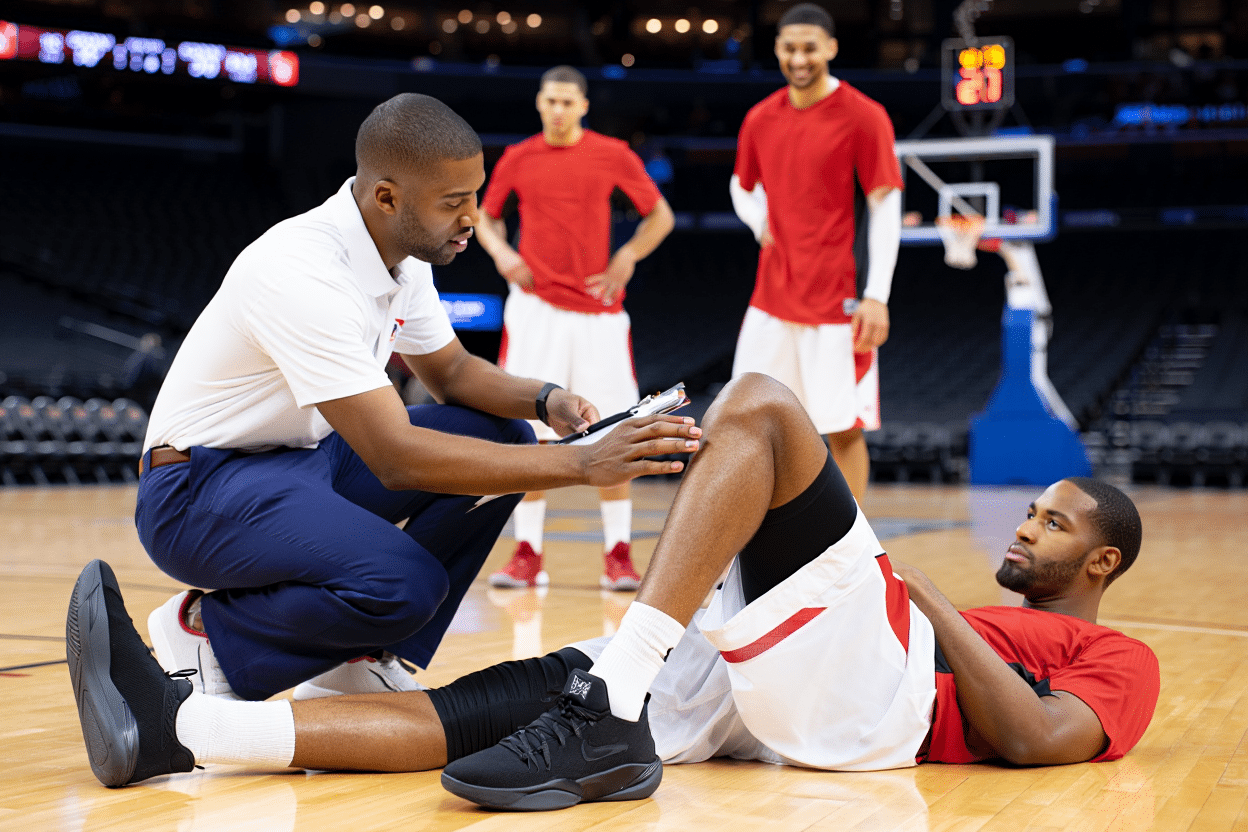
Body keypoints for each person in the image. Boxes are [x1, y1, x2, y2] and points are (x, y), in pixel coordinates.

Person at [69, 374, 1158, 809]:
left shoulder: (1124, 661)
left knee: (769, 411)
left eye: (1054, 523)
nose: (1026, 525)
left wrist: (934, 604)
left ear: (1103, 564)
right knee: (482, 707)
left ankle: (613, 706)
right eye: (1033, 509)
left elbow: (1044, 740)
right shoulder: (987, 615)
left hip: (886, 711)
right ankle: (190, 728)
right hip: (755, 711)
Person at [131, 92, 700, 705]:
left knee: (502, 434)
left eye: (475, 197)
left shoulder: (403, 259)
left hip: (302, 463)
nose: (473, 219)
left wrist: (546, 400)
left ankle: (358, 658)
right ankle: (206, 635)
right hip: (199, 491)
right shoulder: (302, 271)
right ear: (386, 197)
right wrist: (582, 463)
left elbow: (452, 372)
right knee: (405, 584)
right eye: (454, 203)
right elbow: (395, 456)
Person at [474, 65, 676, 592]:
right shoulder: (518, 157)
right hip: (535, 307)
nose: (559, 110)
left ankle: (618, 556)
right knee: (531, 435)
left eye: (568, 102)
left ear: (583, 105)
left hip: (598, 310)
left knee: (612, 429)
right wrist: (502, 254)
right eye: (551, 101)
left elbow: (660, 215)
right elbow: (485, 216)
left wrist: (627, 256)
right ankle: (526, 555)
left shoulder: (613, 154)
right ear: (539, 103)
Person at [729, 3, 903, 499]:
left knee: (842, 429)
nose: (799, 57)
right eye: (789, 47)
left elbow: (886, 206)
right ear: (778, 51)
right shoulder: (761, 117)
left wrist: (877, 295)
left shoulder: (863, 115)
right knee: (748, 421)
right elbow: (741, 186)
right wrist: (760, 220)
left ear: (830, 48)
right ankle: (761, 543)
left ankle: (851, 550)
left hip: (838, 303)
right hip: (771, 299)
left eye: (809, 47)